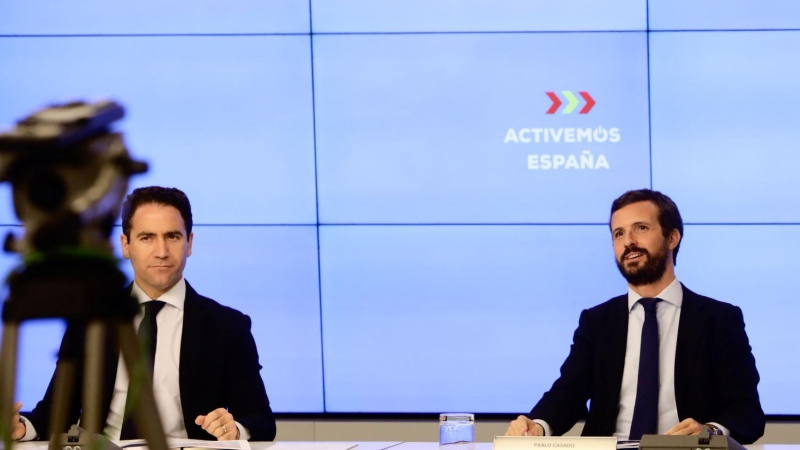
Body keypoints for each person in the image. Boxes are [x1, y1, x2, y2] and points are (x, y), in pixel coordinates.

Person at [10, 186, 276, 441]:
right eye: (147, 237)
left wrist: (235, 429)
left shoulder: (227, 326)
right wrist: (20, 426)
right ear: (125, 245)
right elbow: (53, 414)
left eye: (172, 236)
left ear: (189, 243)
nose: (161, 252)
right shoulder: (90, 321)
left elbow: (261, 420)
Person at [505, 189, 764, 444]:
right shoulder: (597, 321)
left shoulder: (719, 319)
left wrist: (709, 432)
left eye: (640, 228)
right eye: (618, 233)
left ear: (672, 237)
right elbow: (568, 394)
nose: (628, 241)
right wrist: (536, 426)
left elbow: (747, 413)